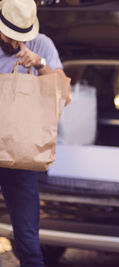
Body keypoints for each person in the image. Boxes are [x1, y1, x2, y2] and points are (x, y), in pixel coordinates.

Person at [0, 0, 67, 266]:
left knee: (27, 235)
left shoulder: (42, 45)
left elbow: (64, 94)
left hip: (22, 152)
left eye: (21, 37)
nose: (16, 43)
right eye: (10, 36)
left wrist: (40, 65)